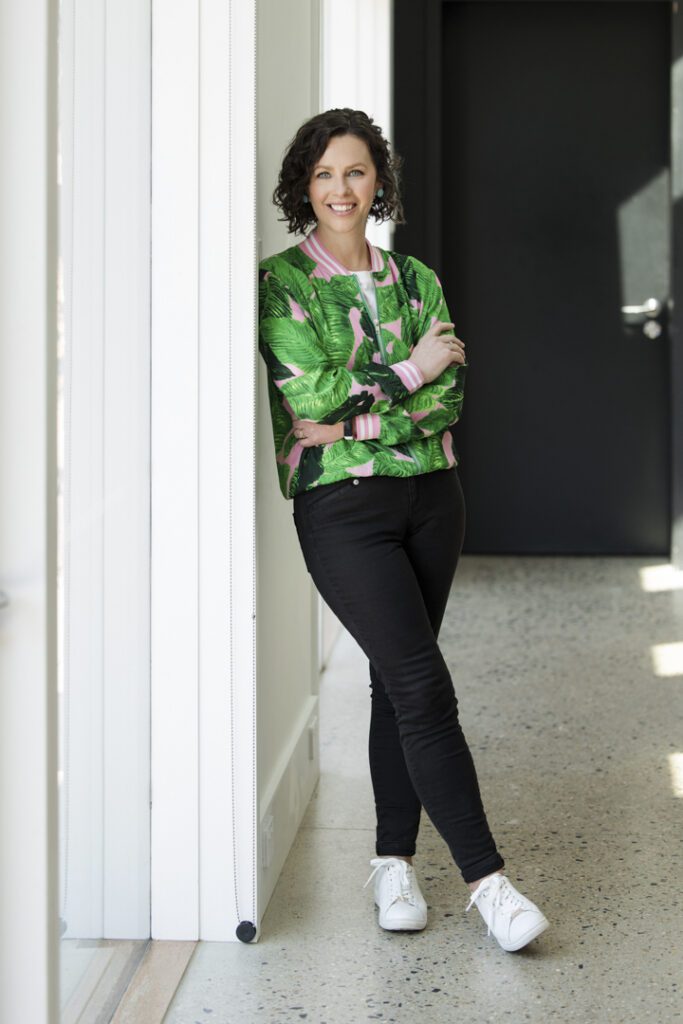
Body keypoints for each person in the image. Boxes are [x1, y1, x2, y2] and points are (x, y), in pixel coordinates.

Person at [258, 108, 549, 953]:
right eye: (322, 175)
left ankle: (391, 861)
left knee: (398, 682)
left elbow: (446, 398)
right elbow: (306, 398)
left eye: (354, 172)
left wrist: (360, 420)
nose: (339, 190)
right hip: (341, 511)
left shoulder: (415, 279)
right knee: (425, 687)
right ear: (302, 188)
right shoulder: (281, 284)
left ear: (377, 180)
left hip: (431, 501)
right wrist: (410, 373)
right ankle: (488, 884)